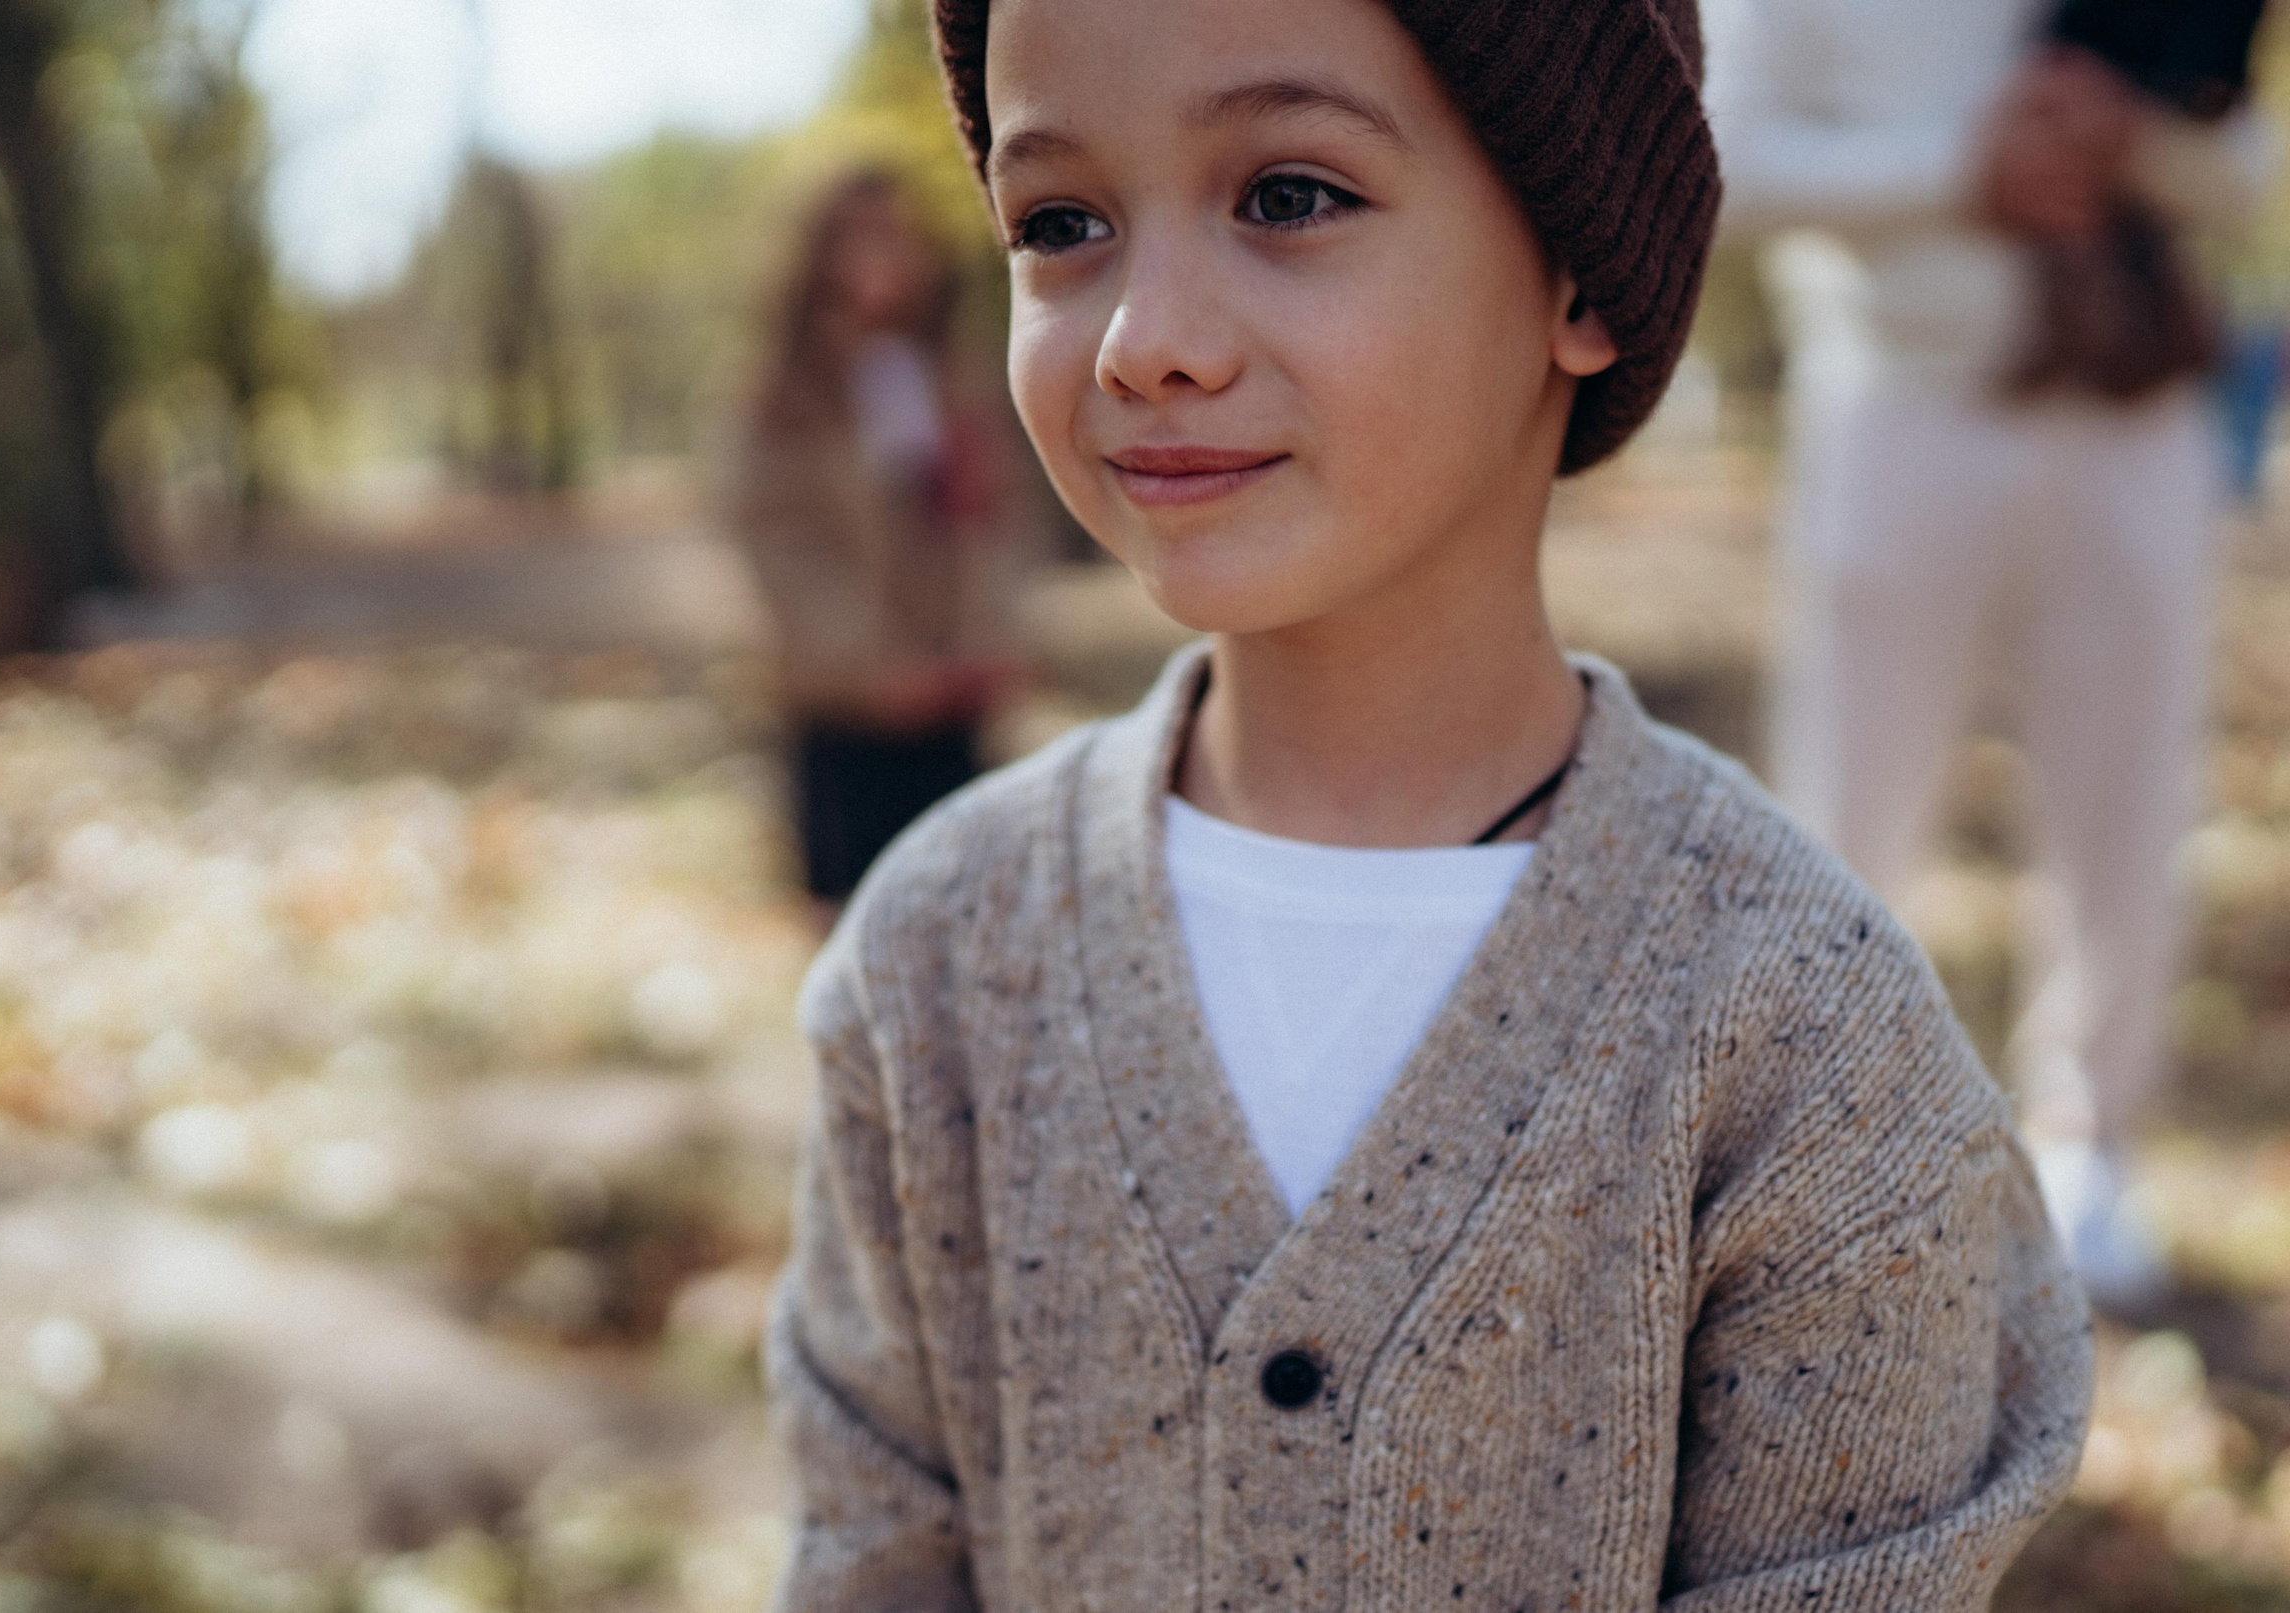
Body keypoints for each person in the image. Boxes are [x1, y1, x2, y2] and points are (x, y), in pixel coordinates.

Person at [763, 0, 2094, 1606]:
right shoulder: (936, 965)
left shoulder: (1804, 1045)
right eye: (1063, 224)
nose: (1142, 337)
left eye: (1289, 196)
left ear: (1583, 275)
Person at [1706, 0, 2271, 1305]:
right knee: (1853, 791)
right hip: (1900, 398)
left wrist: (2132, 141)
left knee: (2127, 791)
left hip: (2130, 405)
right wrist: (1962, 166)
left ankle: (2090, 1148)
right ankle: (1831, 1146)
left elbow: (2243, 172)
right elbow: (1727, 157)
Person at [731, 169, 1026, 916]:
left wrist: (990, 633)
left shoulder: (958, 376)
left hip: (954, 693)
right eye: (863, 237)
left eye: (902, 236)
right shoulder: (784, 393)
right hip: (845, 706)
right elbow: (776, 540)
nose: (886, 258)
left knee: (962, 910)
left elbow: (995, 517)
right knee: (851, 918)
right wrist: (867, 667)